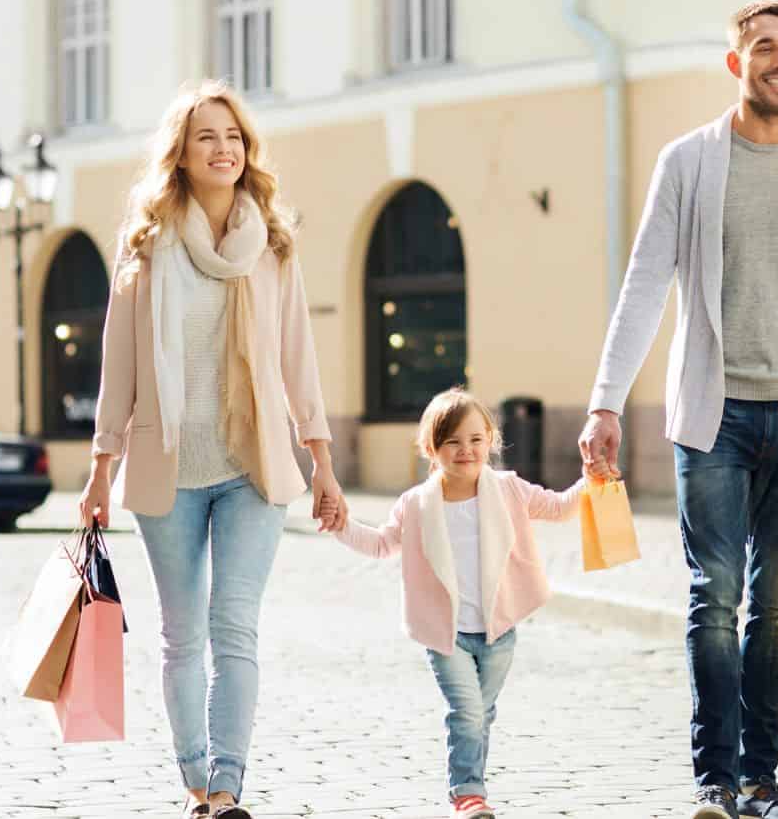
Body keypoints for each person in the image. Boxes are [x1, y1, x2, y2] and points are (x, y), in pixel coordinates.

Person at [577, 0, 778, 819]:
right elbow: (646, 281)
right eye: (764, 48)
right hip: (713, 415)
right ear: (736, 63)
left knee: (777, 601)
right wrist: (606, 401)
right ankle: (714, 780)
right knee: (714, 595)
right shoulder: (689, 162)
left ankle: (763, 779)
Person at [78, 79, 349, 819]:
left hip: (251, 469)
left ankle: (227, 787)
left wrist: (321, 461)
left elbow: (299, 357)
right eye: (206, 137)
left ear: (246, 150)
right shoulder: (145, 248)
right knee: (181, 635)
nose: (222, 148)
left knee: (235, 629)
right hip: (168, 469)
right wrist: (100, 470)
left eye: (232, 137)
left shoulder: (273, 246)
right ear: (182, 153)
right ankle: (194, 778)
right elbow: (120, 368)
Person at [329, 388, 585, 819]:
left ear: (490, 440)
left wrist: (593, 480)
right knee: (465, 711)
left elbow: (559, 508)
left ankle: (472, 790)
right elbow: (379, 545)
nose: (465, 451)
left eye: (475, 440)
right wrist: (340, 524)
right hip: (446, 635)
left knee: (481, 714)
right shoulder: (416, 504)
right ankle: (467, 794)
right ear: (432, 449)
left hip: (498, 630)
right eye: (452, 442)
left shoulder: (508, 490)